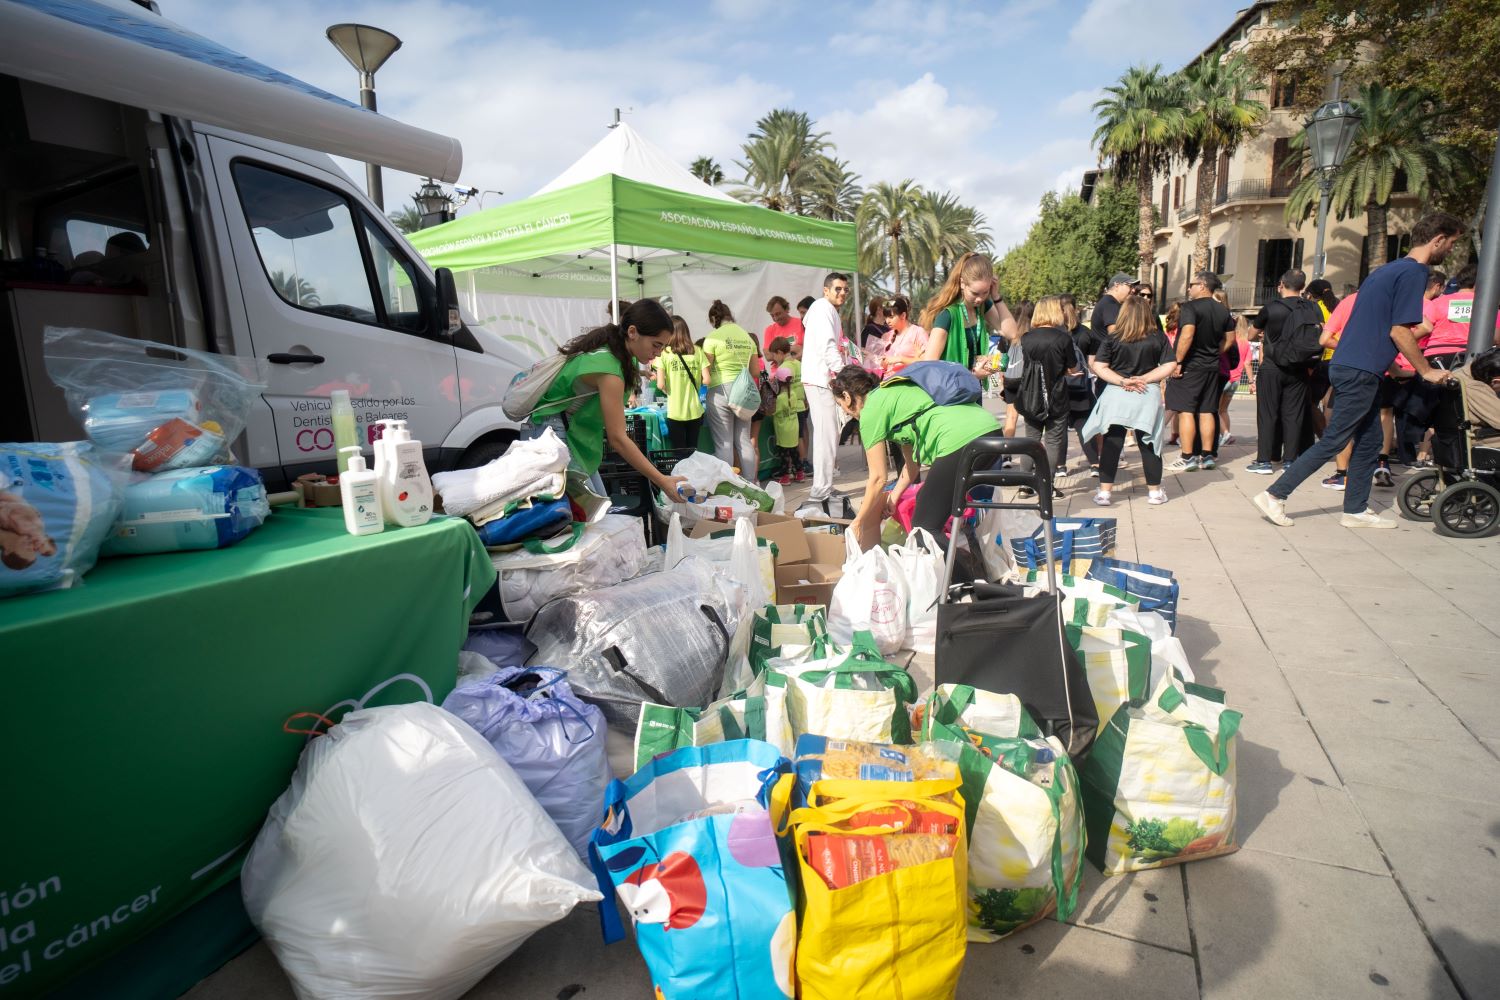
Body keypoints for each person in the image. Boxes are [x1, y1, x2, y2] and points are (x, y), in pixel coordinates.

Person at [1252, 212, 1462, 529]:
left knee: (1369, 440)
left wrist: (1394, 367)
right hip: (1360, 371)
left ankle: (1355, 510)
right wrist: (1425, 370)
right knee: (1335, 439)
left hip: (1357, 366)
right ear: (1438, 239)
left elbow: (1368, 328)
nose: (1450, 250)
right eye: (1452, 243)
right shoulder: (1415, 274)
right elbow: (1399, 331)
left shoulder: (1385, 271)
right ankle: (1275, 494)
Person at [527, 298, 689, 499]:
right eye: (655, 345)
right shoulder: (610, 368)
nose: (657, 354)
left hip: (560, 433)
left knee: (595, 509)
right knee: (582, 515)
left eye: (662, 348)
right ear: (632, 332)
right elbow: (618, 438)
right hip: (553, 438)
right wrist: (662, 480)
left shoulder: (611, 352)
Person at [828, 364, 1000, 553]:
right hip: (990, 431)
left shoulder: (870, 411)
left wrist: (858, 521)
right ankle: (969, 568)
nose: (845, 412)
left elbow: (878, 478)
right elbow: (912, 466)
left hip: (961, 441)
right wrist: (893, 499)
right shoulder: (892, 394)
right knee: (933, 510)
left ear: (847, 396)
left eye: (840, 405)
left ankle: (962, 579)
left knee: (923, 527)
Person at [1086, 295, 1177, 506]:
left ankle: (1104, 493)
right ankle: (1154, 493)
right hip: (1147, 393)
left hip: (1117, 395)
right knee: (1149, 443)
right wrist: (1145, 378)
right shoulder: (1158, 337)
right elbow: (1170, 365)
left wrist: (1122, 381)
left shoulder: (1113, 338)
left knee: (1112, 443)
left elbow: (1099, 367)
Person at [1247, 270, 1317, 476]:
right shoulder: (1311, 308)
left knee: (1267, 414)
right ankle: (1290, 460)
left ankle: (1264, 461)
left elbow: (1251, 334)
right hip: (1300, 367)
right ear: (1302, 287)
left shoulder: (1271, 308)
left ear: (1281, 284)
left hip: (1272, 366)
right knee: (1293, 414)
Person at [1166, 271, 1236, 471]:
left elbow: (1187, 335)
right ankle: (1207, 457)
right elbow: (1230, 339)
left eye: (1192, 284)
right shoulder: (1223, 310)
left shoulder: (1190, 308)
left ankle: (1187, 457)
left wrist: (1178, 361)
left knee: (1186, 410)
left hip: (1191, 366)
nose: (1189, 288)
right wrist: (1215, 352)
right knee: (1207, 410)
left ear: (1203, 286)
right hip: (1211, 367)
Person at [1013, 295, 1079, 499]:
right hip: (1056, 397)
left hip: (1030, 397)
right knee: (1052, 441)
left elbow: (1017, 370)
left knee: (1030, 439)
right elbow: (1072, 366)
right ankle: (1047, 486)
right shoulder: (1063, 338)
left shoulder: (1025, 338)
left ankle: (1024, 485)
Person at [802, 273, 855, 515]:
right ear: (826, 290)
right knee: (825, 436)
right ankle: (821, 490)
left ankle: (824, 487)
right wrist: (845, 376)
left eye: (845, 289)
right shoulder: (823, 309)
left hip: (822, 380)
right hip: (821, 380)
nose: (842, 293)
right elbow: (828, 346)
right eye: (838, 289)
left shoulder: (824, 310)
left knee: (828, 435)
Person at [918, 252, 1019, 374]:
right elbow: (929, 365)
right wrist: (973, 375)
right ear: (962, 284)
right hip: (952, 390)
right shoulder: (947, 316)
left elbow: (1011, 333)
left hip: (974, 389)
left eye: (985, 292)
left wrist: (996, 297)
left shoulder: (982, 307)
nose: (980, 299)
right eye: (975, 293)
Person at [702, 299, 763, 473]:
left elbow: (705, 369)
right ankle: (752, 483)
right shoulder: (746, 337)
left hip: (720, 391)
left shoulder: (712, 338)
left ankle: (727, 486)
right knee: (744, 440)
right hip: (743, 392)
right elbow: (755, 371)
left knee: (724, 443)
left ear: (715, 319)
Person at [655, 315, 710, 450]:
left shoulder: (664, 353)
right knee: (693, 450)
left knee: (679, 452)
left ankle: (681, 472)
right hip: (695, 410)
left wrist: (671, 390)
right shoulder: (697, 350)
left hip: (675, 410)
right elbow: (708, 379)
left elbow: (660, 384)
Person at [1062, 293, 1102, 476]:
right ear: (1076, 308)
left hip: (1060, 387)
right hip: (1081, 386)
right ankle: (1094, 463)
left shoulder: (1056, 332)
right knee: (1083, 425)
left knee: (1059, 428)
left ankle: (1060, 467)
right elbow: (1092, 364)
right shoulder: (1087, 334)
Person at [765, 337, 804, 483]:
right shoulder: (798, 363)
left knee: (784, 453)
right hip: (799, 405)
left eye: (774, 356)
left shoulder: (783, 368)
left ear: (780, 352)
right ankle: (800, 471)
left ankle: (786, 475)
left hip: (783, 429)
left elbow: (773, 411)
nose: (773, 359)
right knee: (798, 442)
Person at [880, 295, 927, 373]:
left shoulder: (918, 332)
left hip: (908, 382)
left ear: (903, 315)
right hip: (888, 381)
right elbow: (884, 366)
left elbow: (928, 362)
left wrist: (901, 359)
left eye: (891, 317)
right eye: (886, 317)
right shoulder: (887, 336)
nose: (887, 321)